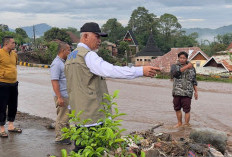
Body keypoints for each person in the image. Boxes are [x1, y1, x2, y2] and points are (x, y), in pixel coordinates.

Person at [64, 22, 160, 151]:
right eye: (97, 37)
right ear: (85, 36)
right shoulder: (88, 55)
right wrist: (140, 71)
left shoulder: (71, 56)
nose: (99, 41)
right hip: (93, 116)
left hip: (79, 114)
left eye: (100, 38)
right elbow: (110, 70)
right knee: (95, 150)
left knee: (81, 148)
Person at [0, 36, 22, 138]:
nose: (14, 44)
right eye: (13, 43)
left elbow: (14, 66)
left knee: (13, 105)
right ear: (6, 44)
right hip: (2, 83)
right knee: (2, 106)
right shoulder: (0, 53)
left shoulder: (14, 54)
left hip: (13, 83)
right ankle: (1, 128)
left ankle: (11, 125)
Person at [50, 41, 71, 144]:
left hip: (66, 95)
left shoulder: (62, 62)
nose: (70, 52)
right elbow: (54, 81)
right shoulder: (56, 64)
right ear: (63, 50)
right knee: (62, 117)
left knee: (66, 117)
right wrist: (59, 97)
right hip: (62, 95)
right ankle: (60, 138)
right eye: (68, 50)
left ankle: (66, 136)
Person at [170, 51, 198, 128]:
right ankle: (179, 123)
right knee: (177, 108)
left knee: (187, 109)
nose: (182, 59)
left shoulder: (192, 68)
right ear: (178, 58)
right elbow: (174, 74)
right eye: (180, 58)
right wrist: (186, 67)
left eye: (184, 58)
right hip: (177, 91)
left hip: (187, 92)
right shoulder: (174, 66)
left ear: (186, 59)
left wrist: (196, 92)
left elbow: (194, 80)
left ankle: (186, 124)